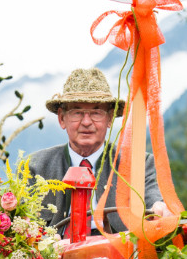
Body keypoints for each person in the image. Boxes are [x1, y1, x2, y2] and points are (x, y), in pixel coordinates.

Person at [28, 68, 173, 233]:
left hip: (120, 253)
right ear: (62, 118)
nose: (87, 122)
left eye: (96, 113)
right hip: (55, 255)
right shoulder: (35, 167)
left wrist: (158, 207)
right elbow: (23, 228)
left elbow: (154, 198)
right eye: (77, 113)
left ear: (110, 118)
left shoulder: (138, 163)